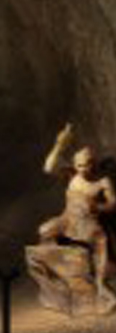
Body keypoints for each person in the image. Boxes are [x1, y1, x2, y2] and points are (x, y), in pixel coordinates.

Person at [39, 123, 116, 300]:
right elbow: (48, 167)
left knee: (101, 243)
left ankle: (101, 284)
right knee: (44, 230)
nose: (83, 169)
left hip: (90, 223)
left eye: (87, 165)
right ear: (75, 165)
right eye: (80, 165)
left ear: (94, 163)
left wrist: (98, 207)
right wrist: (59, 144)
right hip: (67, 219)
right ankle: (54, 273)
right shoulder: (72, 175)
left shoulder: (102, 181)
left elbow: (113, 203)